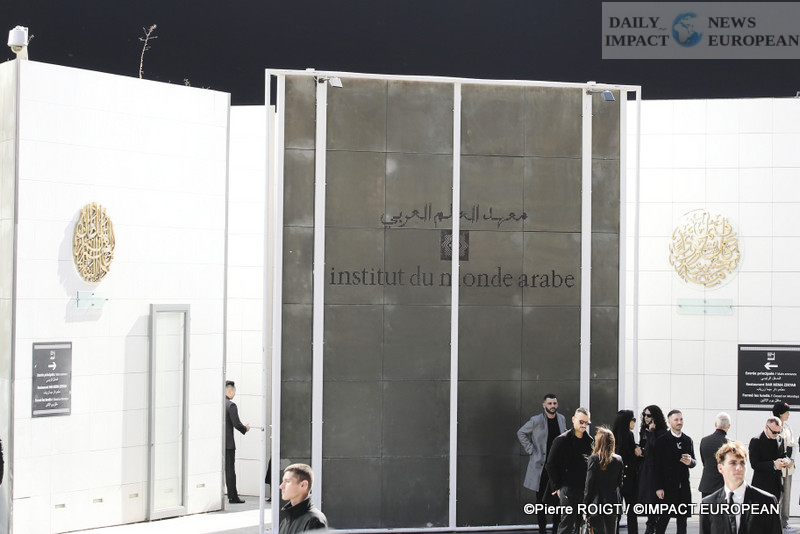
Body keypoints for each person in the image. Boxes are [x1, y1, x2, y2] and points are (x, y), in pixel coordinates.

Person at [699, 440, 782, 534]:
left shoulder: (767, 501)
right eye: (733, 463)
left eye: (742, 463)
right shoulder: (708, 504)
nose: (739, 467)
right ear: (720, 468)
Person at [518, 393, 567, 533]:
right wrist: (532, 451)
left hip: (557, 467)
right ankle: (542, 530)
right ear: (544, 405)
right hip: (541, 467)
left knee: (558, 500)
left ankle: (556, 529)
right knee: (541, 501)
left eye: (554, 403)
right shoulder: (536, 420)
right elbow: (521, 433)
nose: (552, 406)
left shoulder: (561, 419)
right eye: (550, 403)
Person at [546, 407, 594, 534]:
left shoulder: (589, 441)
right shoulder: (562, 440)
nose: (584, 425)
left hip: (584, 489)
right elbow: (550, 465)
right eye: (581, 422)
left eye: (587, 423)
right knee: (566, 523)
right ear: (573, 419)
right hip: (568, 488)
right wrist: (557, 487)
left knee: (581, 524)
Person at [653, 409, 696, 534]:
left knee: (682, 521)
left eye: (681, 419)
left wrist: (691, 462)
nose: (679, 422)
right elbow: (656, 466)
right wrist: (658, 487)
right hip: (667, 487)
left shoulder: (687, 440)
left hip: (683, 487)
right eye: (676, 420)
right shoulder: (662, 440)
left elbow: (694, 461)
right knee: (663, 520)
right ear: (669, 421)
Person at [584, 427, 624, 534]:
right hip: (613, 503)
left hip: (596, 503)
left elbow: (589, 485)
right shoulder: (618, 459)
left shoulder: (593, 459)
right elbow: (619, 484)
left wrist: (585, 506)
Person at [637, 405, 668, 534]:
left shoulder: (662, 432)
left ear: (655, 417)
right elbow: (644, 448)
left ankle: (651, 528)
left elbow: (654, 448)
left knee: (655, 502)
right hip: (646, 469)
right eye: (644, 415)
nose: (646, 418)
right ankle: (650, 527)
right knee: (649, 501)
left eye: (649, 415)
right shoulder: (644, 430)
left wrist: (651, 433)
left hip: (656, 469)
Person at [612, 409, 640, 534]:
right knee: (631, 511)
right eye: (633, 419)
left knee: (617, 513)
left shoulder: (614, 436)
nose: (634, 422)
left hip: (617, 479)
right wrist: (636, 452)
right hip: (627, 479)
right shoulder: (627, 435)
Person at [279, 463, 328, 534]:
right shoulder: (285, 521)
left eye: (287, 482)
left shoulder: (314, 520)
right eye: (283, 481)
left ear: (303, 485)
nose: (281, 486)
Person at [749, 416, 788, 503]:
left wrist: (785, 461)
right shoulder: (756, 440)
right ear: (766, 427)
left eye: (778, 432)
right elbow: (754, 464)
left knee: (775, 510)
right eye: (774, 432)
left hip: (777, 485)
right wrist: (773, 464)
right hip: (761, 486)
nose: (776, 434)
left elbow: (784, 455)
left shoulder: (780, 439)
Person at [225, 380, 250, 504]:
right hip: (228, 444)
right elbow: (236, 424)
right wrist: (245, 428)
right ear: (230, 391)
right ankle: (233, 496)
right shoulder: (231, 405)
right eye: (234, 391)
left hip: (219, 444)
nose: (234, 394)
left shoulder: (218, 404)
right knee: (230, 470)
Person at [773, 402, 795, 531]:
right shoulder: (773, 425)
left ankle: (784, 521)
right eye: (787, 412)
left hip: (788, 466)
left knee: (787, 493)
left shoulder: (787, 427)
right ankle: (775, 520)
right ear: (780, 413)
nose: (788, 414)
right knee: (777, 493)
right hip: (778, 466)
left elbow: (792, 445)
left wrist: (791, 460)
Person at [698, 412, 731, 498]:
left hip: (707, 485)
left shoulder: (704, 441)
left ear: (715, 424)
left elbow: (704, 462)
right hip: (723, 486)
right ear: (729, 426)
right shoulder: (730, 444)